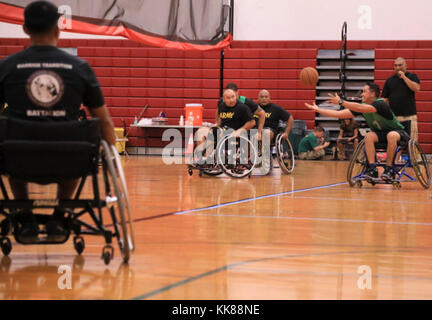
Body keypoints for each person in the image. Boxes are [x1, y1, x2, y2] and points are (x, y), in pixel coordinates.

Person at [0, 1, 116, 240]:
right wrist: (112, 154)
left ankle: (23, 215)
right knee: (74, 145)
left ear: (25, 29)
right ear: (57, 30)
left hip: (17, 160)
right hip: (69, 159)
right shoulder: (80, 68)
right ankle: (61, 214)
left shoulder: (6, 67)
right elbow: (103, 121)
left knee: (13, 144)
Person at [305, 82, 409, 180]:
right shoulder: (362, 107)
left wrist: (341, 102)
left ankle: (389, 169)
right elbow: (339, 114)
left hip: (398, 134)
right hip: (381, 136)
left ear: (373, 93)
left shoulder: (380, 104)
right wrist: (318, 109)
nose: (362, 94)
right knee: (369, 136)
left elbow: (360, 108)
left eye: (364, 91)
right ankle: (372, 168)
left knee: (391, 135)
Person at [382, 57, 420, 141]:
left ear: (406, 65)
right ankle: (396, 155)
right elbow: (384, 99)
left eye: (400, 65)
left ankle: (413, 155)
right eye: (395, 65)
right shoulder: (389, 80)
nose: (398, 68)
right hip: (394, 118)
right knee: (394, 141)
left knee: (412, 142)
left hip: (409, 116)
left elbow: (416, 88)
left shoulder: (412, 76)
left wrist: (404, 77)